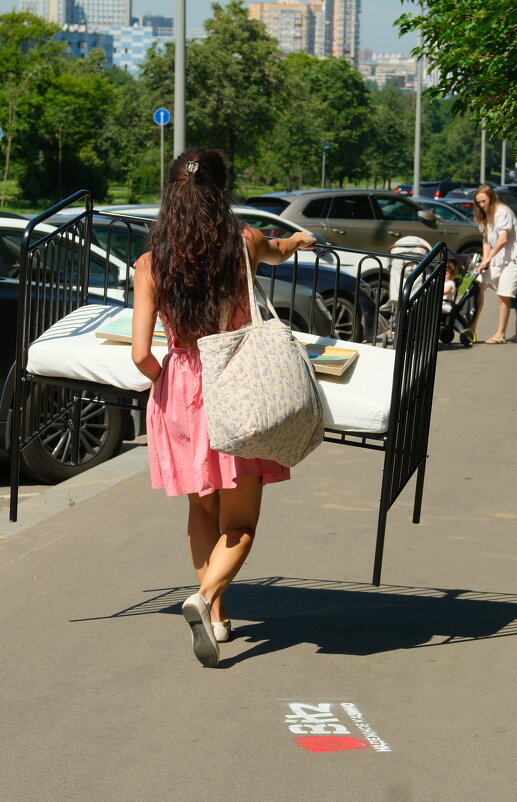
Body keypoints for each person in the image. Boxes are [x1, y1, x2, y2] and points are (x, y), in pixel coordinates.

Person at [131, 148, 316, 668]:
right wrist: (298, 242)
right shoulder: (243, 245)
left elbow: (142, 353)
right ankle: (204, 597)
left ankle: (216, 617)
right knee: (242, 522)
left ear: (171, 195)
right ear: (220, 194)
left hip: (181, 392)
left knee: (201, 508)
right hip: (238, 385)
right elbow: (275, 249)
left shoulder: (150, 264)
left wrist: (166, 381)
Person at [472, 184, 517, 344]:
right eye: (478, 202)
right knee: (479, 287)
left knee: (503, 295)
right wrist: (485, 260)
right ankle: (472, 328)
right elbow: (486, 240)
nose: (481, 205)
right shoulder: (484, 216)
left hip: (513, 256)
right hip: (497, 256)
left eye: (483, 201)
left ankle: (500, 334)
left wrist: (489, 258)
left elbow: (503, 239)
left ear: (491, 198)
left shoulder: (502, 212)